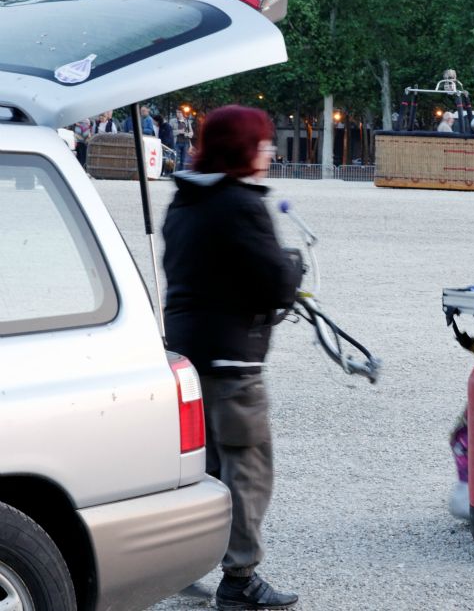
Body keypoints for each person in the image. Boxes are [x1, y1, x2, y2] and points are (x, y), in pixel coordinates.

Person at [162, 105, 302, 610]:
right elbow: (273, 282)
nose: (270, 151)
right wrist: (293, 268)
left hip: (185, 356)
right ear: (241, 149)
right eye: (262, 142)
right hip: (232, 361)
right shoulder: (240, 203)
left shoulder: (184, 199)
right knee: (247, 467)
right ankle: (240, 577)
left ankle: (188, 562)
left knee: (204, 467)